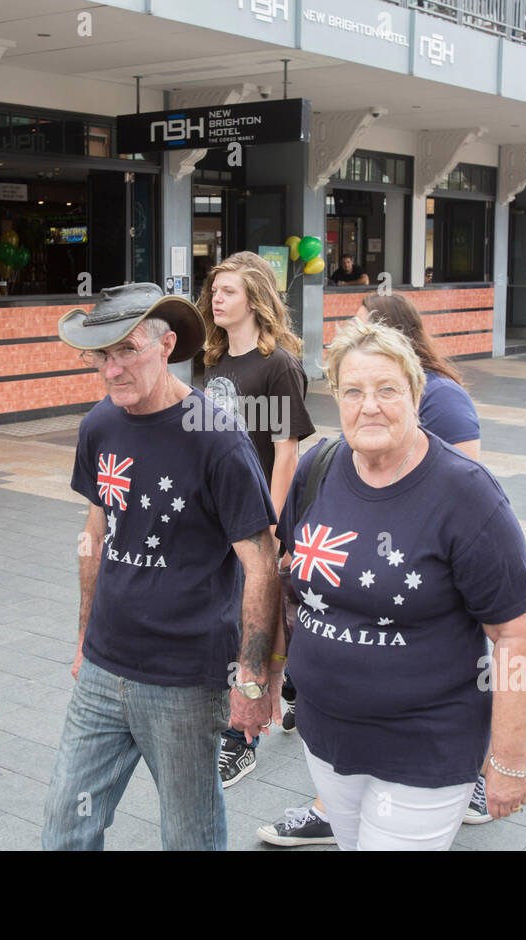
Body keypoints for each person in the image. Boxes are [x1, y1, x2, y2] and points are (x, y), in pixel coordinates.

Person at [273, 318, 526, 850]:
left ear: (416, 395)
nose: (369, 405)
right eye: (353, 391)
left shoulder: (467, 494)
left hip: (425, 745)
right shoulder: (318, 468)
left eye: (387, 389)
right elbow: (286, 581)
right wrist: (262, 677)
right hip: (326, 739)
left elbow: (514, 638)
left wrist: (509, 761)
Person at [42, 282, 281, 851]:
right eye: (101, 355)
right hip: (103, 668)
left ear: (167, 344)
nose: (111, 370)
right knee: (65, 826)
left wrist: (252, 676)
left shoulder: (216, 438)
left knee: (189, 834)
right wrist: (82, 640)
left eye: (127, 350)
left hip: (186, 680)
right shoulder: (100, 425)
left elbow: (262, 564)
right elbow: (96, 534)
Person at [199, 251, 315, 789]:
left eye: (227, 291)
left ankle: (239, 740)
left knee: (252, 626)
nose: (216, 298)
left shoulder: (278, 365)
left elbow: (286, 451)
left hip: (259, 519)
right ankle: (290, 695)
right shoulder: (217, 362)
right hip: (218, 515)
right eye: (214, 291)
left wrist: (269, 523)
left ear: (255, 300)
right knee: (240, 620)